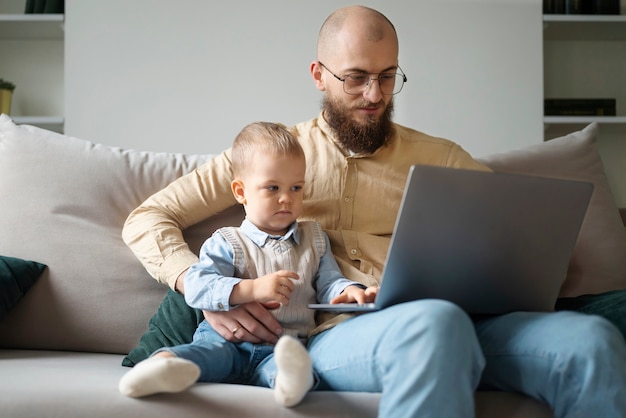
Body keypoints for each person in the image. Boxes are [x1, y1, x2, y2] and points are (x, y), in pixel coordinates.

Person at [122, 5, 626, 417]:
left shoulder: (442, 157)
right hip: (343, 336)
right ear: (319, 75)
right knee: (433, 326)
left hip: (470, 320)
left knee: (591, 339)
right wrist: (203, 291)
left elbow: (518, 241)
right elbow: (147, 219)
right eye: (357, 79)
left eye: (388, 78)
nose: (375, 96)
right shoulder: (274, 159)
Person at [119, 122, 377, 406]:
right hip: (226, 341)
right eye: (273, 188)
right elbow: (198, 286)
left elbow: (329, 282)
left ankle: (292, 381)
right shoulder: (227, 242)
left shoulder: (314, 238)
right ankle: (164, 366)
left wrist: (350, 290)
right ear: (241, 192)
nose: (286, 198)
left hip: (283, 344)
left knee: (285, 364)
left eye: (296, 187)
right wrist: (250, 289)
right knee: (204, 356)